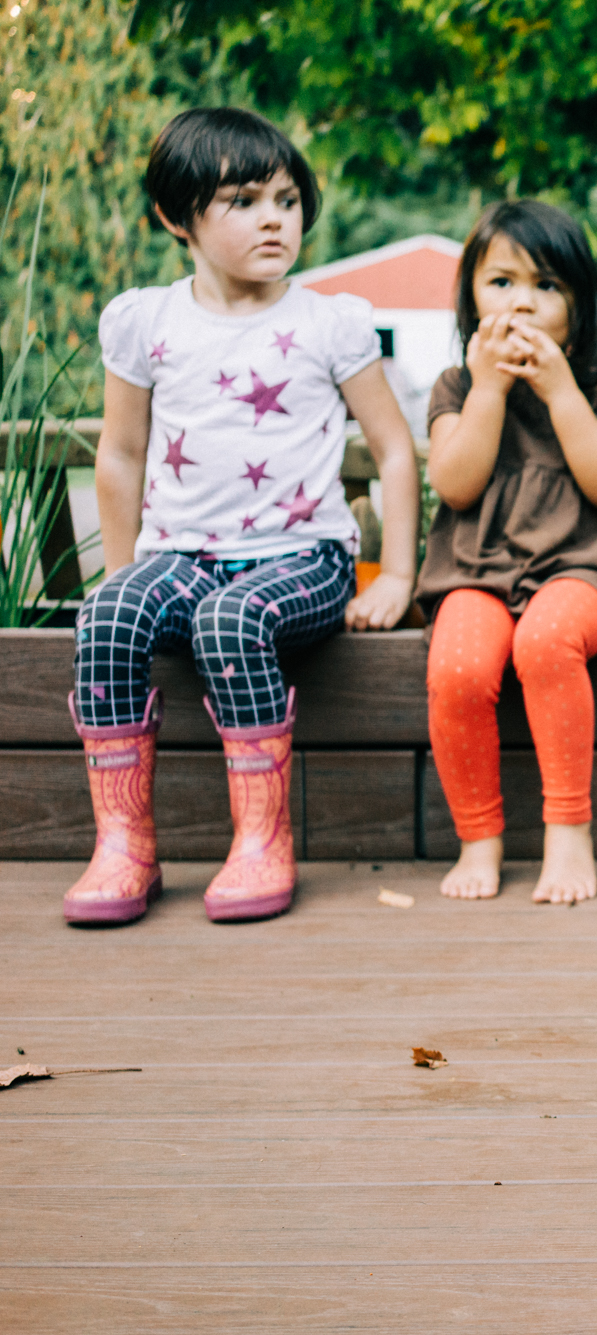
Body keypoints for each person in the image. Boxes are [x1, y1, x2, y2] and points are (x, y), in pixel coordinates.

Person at [70, 107, 418, 927]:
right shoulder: (147, 321)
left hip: (301, 559)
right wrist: (129, 575)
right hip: (181, 556)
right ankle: (125, 845)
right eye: (244, 200)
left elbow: (395, 449)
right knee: (109, 611)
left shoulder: (327, 322)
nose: (275, 218)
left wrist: (396, 572)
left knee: (231, 619)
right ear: (175, 217)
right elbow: (120, 454)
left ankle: (262, 837)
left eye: (288, 199)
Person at [417, 201, 597, 906]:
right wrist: (490, 388)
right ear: (470, 297)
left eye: (547, 286)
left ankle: (568, 828)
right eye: (502, 282)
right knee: (457, 666)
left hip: (585, 569)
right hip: (476, 569)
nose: (522, 301)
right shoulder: (459, 387)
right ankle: (478, 836)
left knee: (547, 639)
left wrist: (558, 392)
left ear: (579, 309)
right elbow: (454, 483)